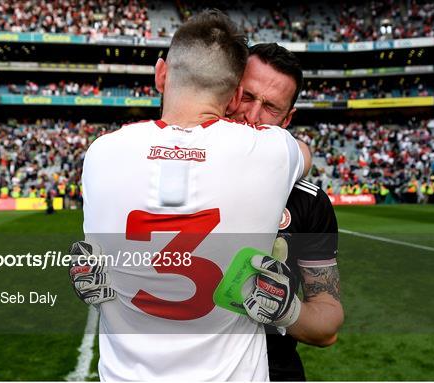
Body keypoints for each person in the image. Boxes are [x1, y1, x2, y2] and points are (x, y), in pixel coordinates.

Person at [73, 11, 308, 381]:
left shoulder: (101, 154)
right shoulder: (271, 154)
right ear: (234, 97)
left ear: (161, 73)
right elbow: (302, 155)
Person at [226, 43, 343, 381]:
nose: (252, 115)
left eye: (270, 107)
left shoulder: (309, 201)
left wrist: (286, 310)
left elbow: (328, 322)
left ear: (287, 118)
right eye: (246, 96)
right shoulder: (178, 166)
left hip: (272, 370)